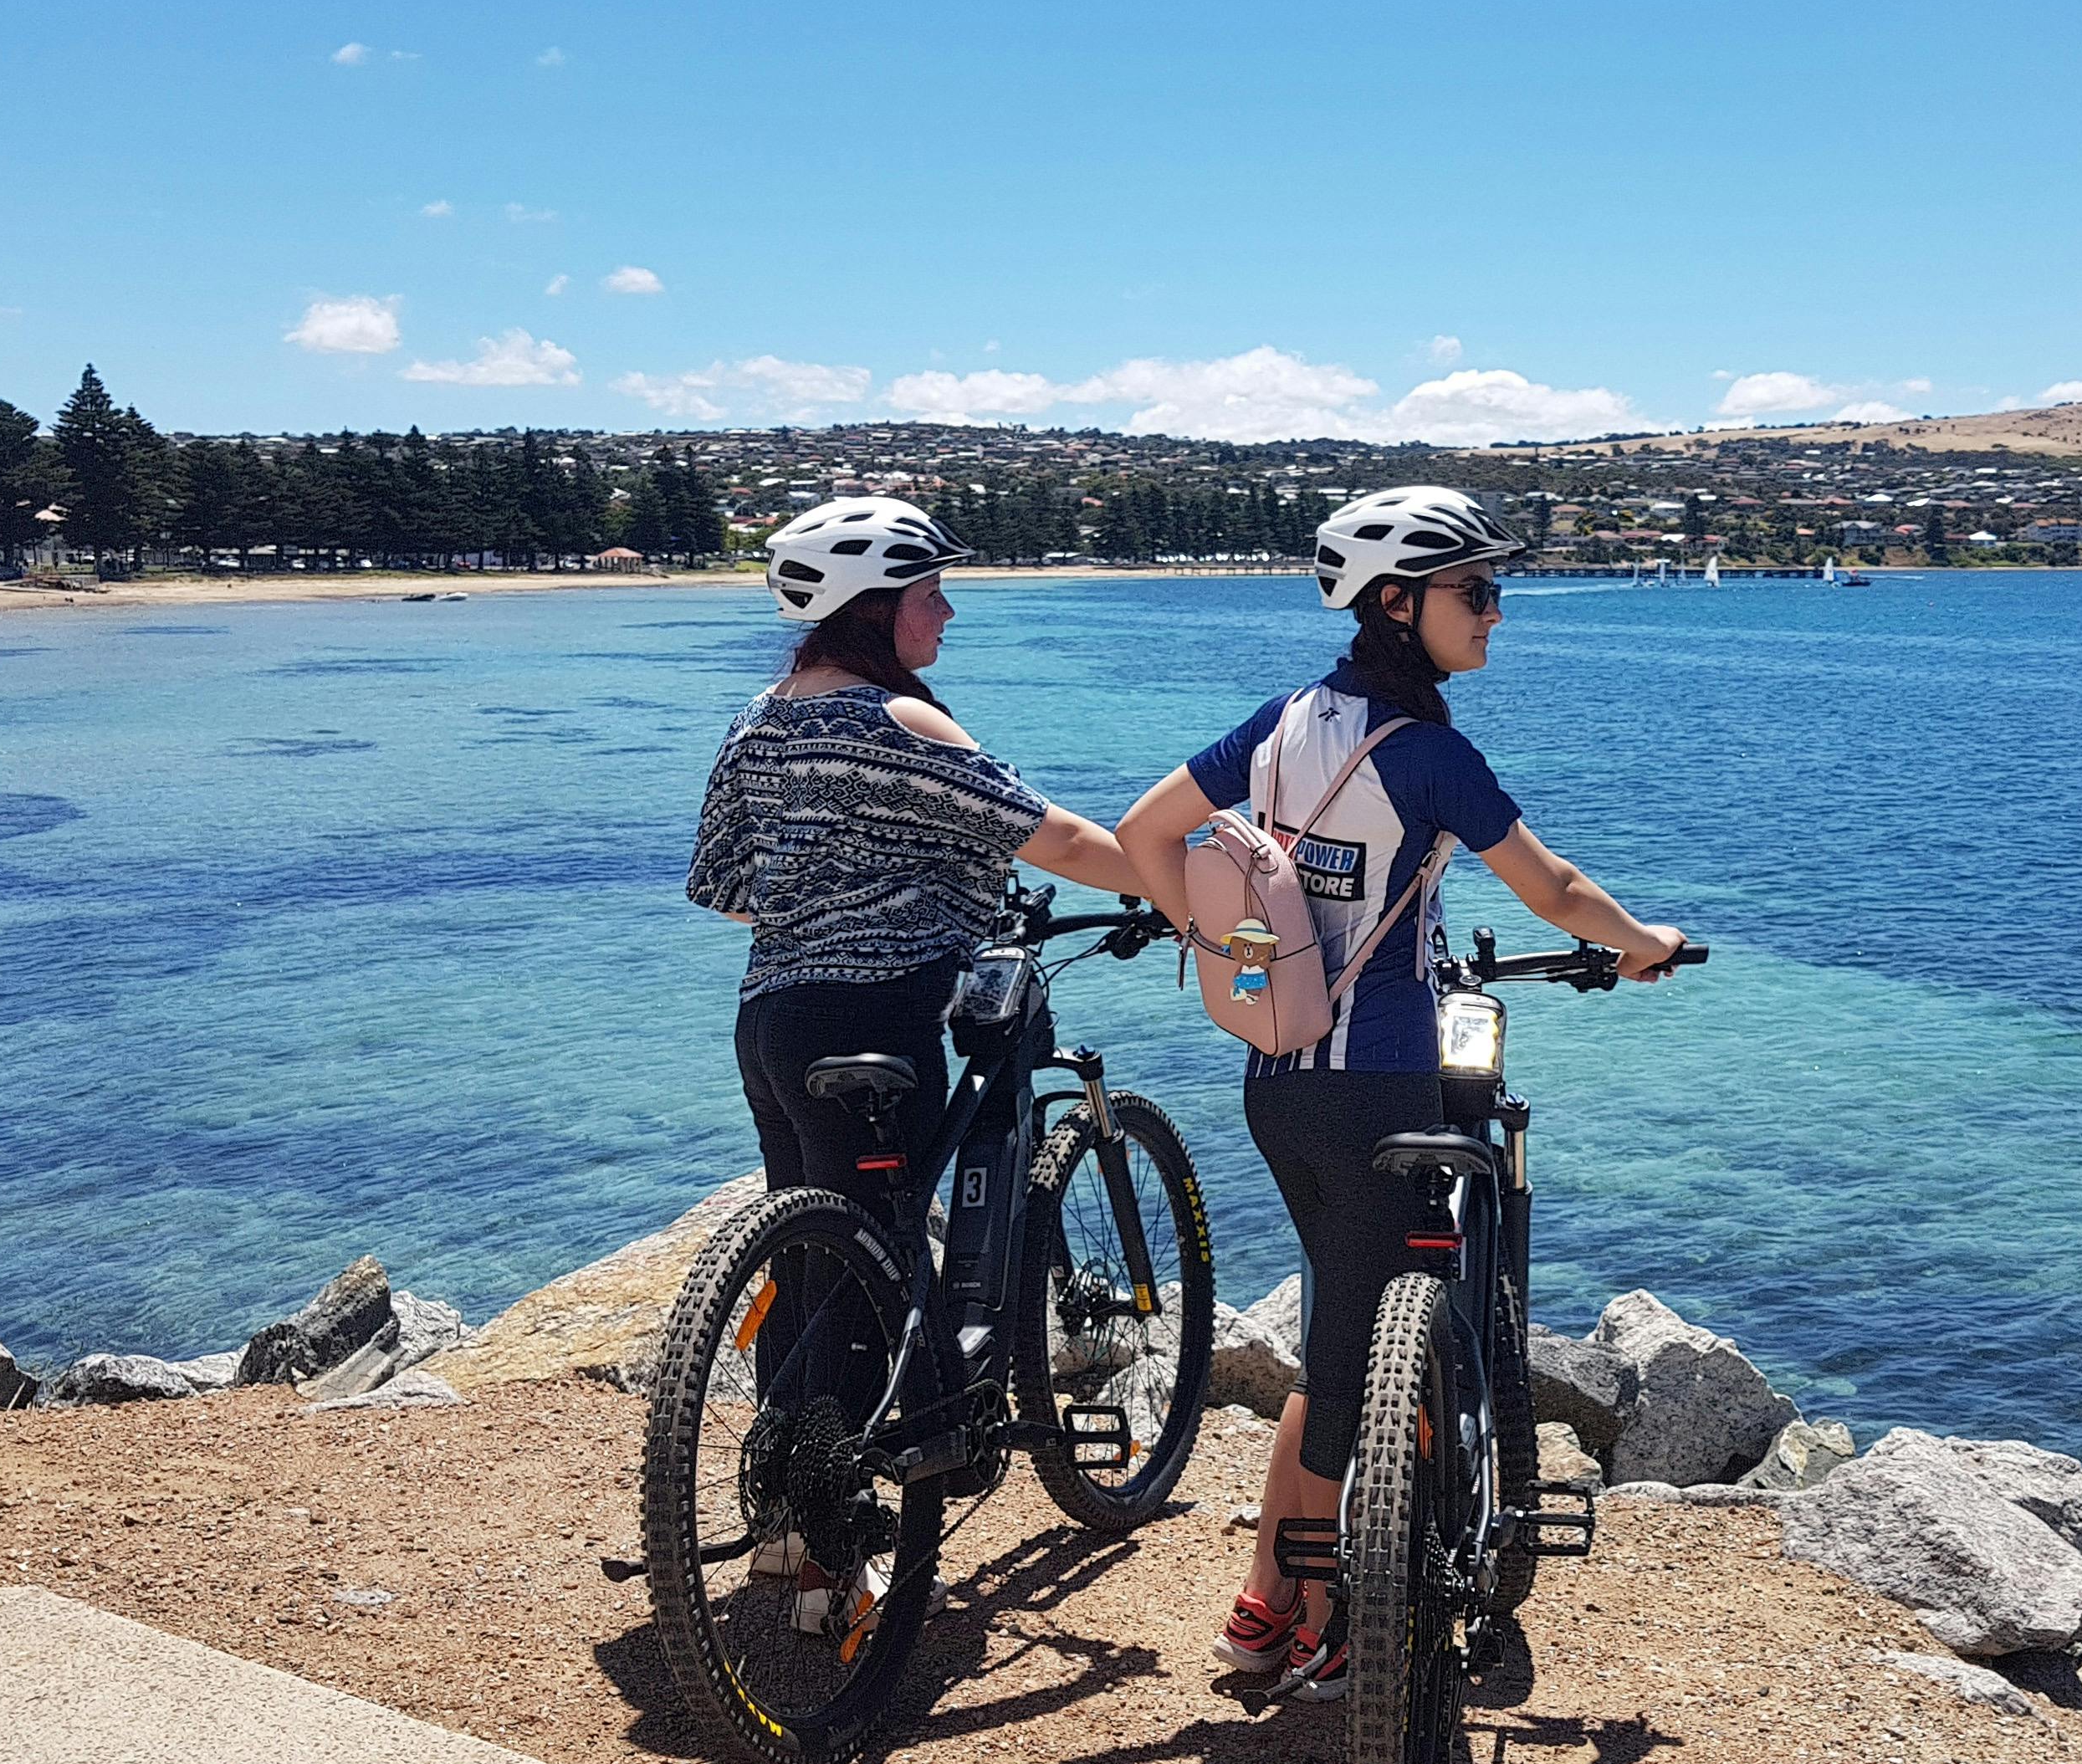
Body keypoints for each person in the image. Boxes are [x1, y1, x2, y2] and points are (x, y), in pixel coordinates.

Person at [1116, 483, 1686, 1699]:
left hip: (1278, 1079)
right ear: (1394, 603)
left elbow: (1146, 832)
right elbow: (1554, 889)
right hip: (1380, 1088)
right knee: (1351, 1363)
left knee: (1339, 1339)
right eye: (1474, 590)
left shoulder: (1281, 725)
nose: (1495, 611)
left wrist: (1220, 948)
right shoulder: (1427, 755)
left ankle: (1268, 1605)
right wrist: (1643, 944)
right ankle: (1319, 1618)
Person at [688, 495, 1144, 1624]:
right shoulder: (899, 721)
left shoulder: (759, 720)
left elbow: (723, 886)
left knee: (813, 1263)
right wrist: (1186, 889)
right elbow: (1054, 838)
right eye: (931, 593)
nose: (946, 613)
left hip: (772, 1023)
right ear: (874, 606)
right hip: (877, 1020)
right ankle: (831, 1566)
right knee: (871, 1279)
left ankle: (786, 1527)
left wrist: (828, 895)